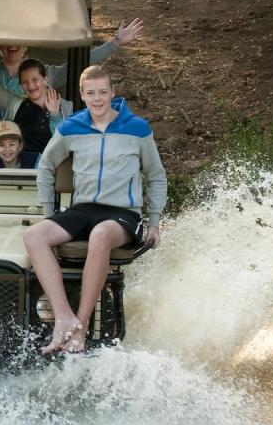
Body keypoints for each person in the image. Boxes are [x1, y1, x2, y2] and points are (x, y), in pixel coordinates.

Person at [22, 64, 167, 354]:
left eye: (103, 92)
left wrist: (153, 222)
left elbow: (155, 175)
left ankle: (82, 325)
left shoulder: (137, 129)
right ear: (82, 95)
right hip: (83, 209)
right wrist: (50, 212)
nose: (98, 98)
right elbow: (46, 167)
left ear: (113, 93)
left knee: (100, 235)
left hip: (122, 214)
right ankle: (63, 316)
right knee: (34, 236)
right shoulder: (71, 127)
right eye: (91, 93)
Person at [0, 18, 145, 98]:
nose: (12, 45)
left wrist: (115, 43)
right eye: (5, 41)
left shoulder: (45, 73)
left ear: (26, 46)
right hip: (1, 138)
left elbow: (79, 64)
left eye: (18, 41)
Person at [0, 48, 72, 153]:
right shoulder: (15, 104)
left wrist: (55, 115)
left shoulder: (67, 108)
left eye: (35, 80)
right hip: (21, 166)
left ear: (45, 79)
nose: (30, 86)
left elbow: (63, 148)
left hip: (51, 167)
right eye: (25, 82)